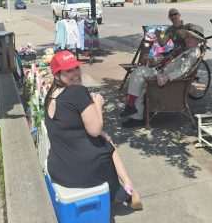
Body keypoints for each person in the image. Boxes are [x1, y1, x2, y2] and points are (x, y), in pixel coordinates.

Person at [45, 51, 143, 210]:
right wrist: (98, 103)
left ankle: (127, 190)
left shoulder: (51, 95)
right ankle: (127, 190)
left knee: (103, 139)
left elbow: (69, 124)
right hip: (83, 173)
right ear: (57, 75)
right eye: (68, 71)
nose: (75, 73)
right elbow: (96, 129)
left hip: (58, 169)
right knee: (107, 142)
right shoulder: (77, 92)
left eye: (76, 68)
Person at [121, 28, 204, 128]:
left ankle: (132, 108)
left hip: (167, 81)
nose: (188, 39)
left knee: (139, 73)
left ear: (198, 40)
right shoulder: (189, 50)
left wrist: (167, 77)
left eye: (192, 38)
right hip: (161, 73)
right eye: (187, 37)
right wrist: (157, 62)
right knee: (138, 75)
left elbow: (183, 70)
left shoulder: (194, 52)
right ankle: (134, 112)